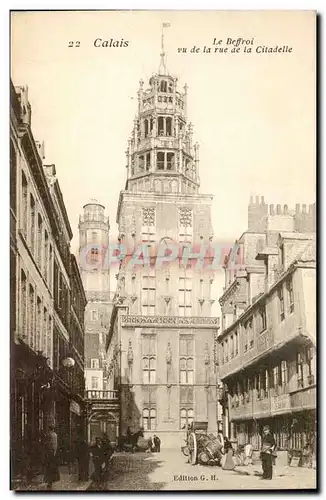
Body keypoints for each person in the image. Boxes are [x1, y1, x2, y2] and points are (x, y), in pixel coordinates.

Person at [43, 425, 60, 490]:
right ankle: (51, 481)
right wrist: (55, 452)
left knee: (49, 467)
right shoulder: (55, 435)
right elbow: (55, 445)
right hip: (52, 452)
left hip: (49, 452)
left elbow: (50, 444)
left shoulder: (49, 435)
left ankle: (49, 481)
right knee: (52, 467)